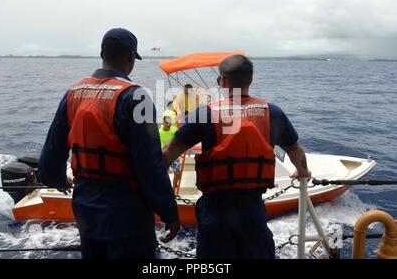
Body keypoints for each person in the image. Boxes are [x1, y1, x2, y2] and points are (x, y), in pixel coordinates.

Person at [37, 28, 180, 259]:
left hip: (86, 213)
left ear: (101, 53)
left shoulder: (73, 92)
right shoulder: (137, 97)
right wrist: (169, 212)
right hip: (127, 217)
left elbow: (51, 155)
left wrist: (57, 179)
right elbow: (150, 165)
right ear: (130, 58)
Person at [163, 55, 311, 259]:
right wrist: (302, 171)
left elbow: (167, 155)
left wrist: (158, 197)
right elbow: (294, 150)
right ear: (250, 80)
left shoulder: (205, 114)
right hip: (253, 212)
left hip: (216, 212)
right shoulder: (273, 113)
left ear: (222, 81)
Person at [159, 116, 180, 191]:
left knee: (177, 173)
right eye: (166, 123)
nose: (169, 124)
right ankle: (165, 189)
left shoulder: (174, 130)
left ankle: (173, 190)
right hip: (164, 155)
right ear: (163, 123)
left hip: (174, 154)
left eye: (170, 123)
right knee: (164, 174)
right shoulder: (159, 132)